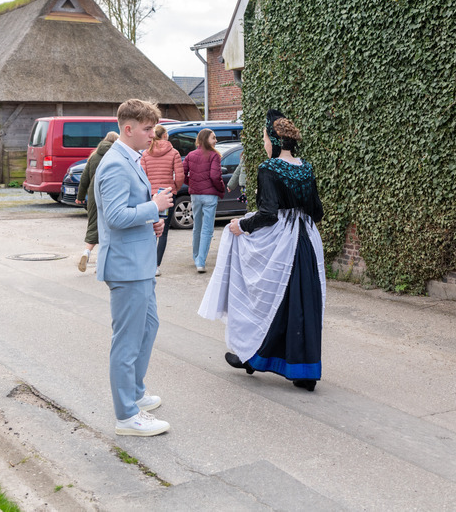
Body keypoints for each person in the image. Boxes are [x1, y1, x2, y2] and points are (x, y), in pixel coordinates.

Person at [198, 110, 326, 391]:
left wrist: (242, 226)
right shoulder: (307, 168)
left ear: (276, 141)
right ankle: (304, 372)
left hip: (283, 243)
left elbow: (268, 214)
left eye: (265, 138)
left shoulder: (269, 169)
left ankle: (251, 355)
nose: (264, 143)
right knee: (302, 303)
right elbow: (317, 211)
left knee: (267, 298)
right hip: (307, 242)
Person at [94, 99, 174, 437]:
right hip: (126, 267)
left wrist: (150, 220)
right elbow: (113, 217)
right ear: (128, 128)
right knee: (126, 342)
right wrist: (153, 207)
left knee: (148, 328)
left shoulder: (131, 159)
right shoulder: (115, 164)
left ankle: (137, 394)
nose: (152, 136)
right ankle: (126, 416)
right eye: (146, 129)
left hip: (140, 262)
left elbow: (129, 211)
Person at [140, 125, 183, 277]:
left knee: (148, 229)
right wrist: (174, 188)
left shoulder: (145, 153)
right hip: (167, 195)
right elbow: (179, 176)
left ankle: (147, 263)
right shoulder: (174, 153)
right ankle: (156, 265)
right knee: (163, 232)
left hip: (150, 196)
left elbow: (142, 176)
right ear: (165, 135)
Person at [75, 131, 119, 272]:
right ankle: (101, 263)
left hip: (94, 195)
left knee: (94, 225)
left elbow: (84, 179)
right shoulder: (115, 155)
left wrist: (80, 197)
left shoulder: (93, 157)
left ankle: (86, 252)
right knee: (108, 230)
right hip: (110, 194)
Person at [183, 128, 225, 273]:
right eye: (213, 138)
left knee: (197, 227)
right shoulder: (214, 155)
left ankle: (196, 257)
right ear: (206, 139)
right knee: (207, 229)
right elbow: (215, 177)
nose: (216, 140)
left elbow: (182, 174)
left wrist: (192, 184)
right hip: (210, 195)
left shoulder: (190, 155)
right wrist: (221, 188)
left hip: (195, 195)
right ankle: (200, 261)